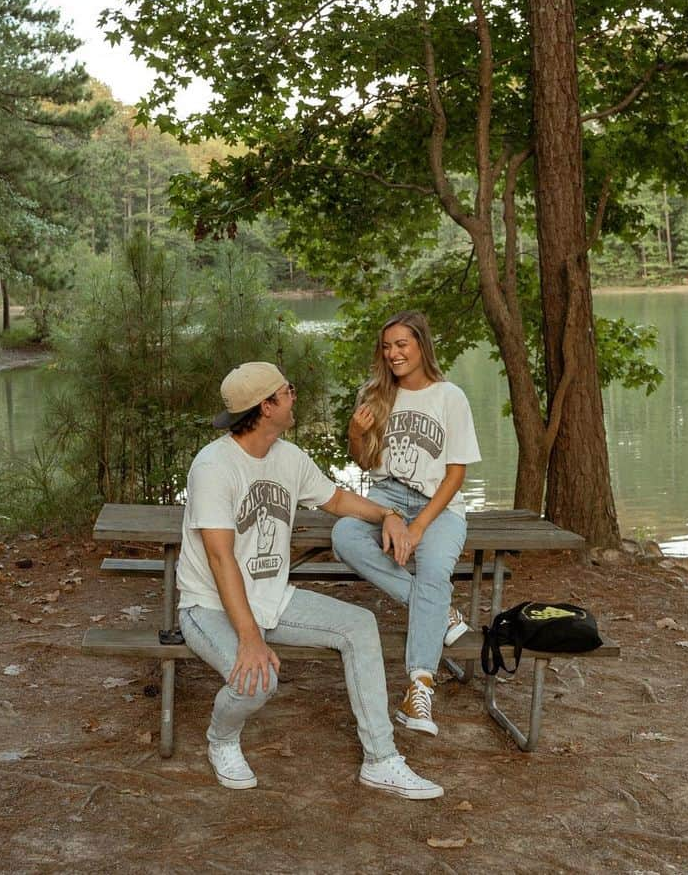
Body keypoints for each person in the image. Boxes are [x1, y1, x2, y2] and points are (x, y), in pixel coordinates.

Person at [176, 360, 443, 800]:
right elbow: (221, 559)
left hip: (272, 600)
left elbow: (336, 498)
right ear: (266, 407)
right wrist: (249, 638)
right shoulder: (213, 467)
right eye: (287, 391)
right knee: (257, 682)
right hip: (208, 607)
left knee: (359, 625)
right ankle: (220, 739)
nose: (293, 396)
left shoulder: (288, 457)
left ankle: (381, 760)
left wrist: (388, 513)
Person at [331, 311, 482, 738]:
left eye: (402, 344)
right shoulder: (375, 393)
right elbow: (363, 462)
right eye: (387, 346)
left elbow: (455, 475)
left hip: (437, 503)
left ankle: (419, 688)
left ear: (421, 345)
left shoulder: (450, 397)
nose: (393, 353)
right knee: (344, 535)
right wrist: (355, 433)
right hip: (386, 498)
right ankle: (441, 614)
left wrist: (419, 528)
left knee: (434, 569)